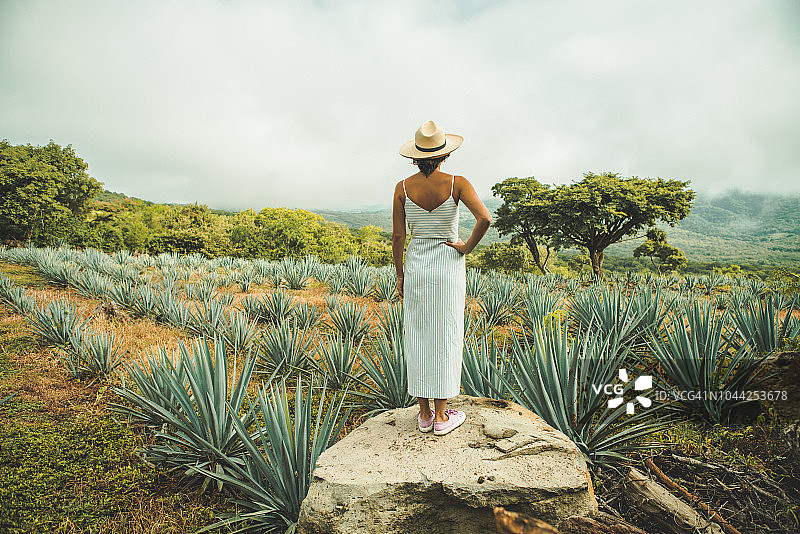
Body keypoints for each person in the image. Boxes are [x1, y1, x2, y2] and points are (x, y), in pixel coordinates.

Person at [392, 120, 492, 436]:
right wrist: (465, 248)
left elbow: (398, 237)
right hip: (448, 265)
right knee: (445, 334)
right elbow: (485, 219)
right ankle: (441, 417)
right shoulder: (457, 183)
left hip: (418, 266)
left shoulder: (402, 188)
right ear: (444, 154)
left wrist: (400, 275)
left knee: (419, 334)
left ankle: (423, 415)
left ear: (415, 156)